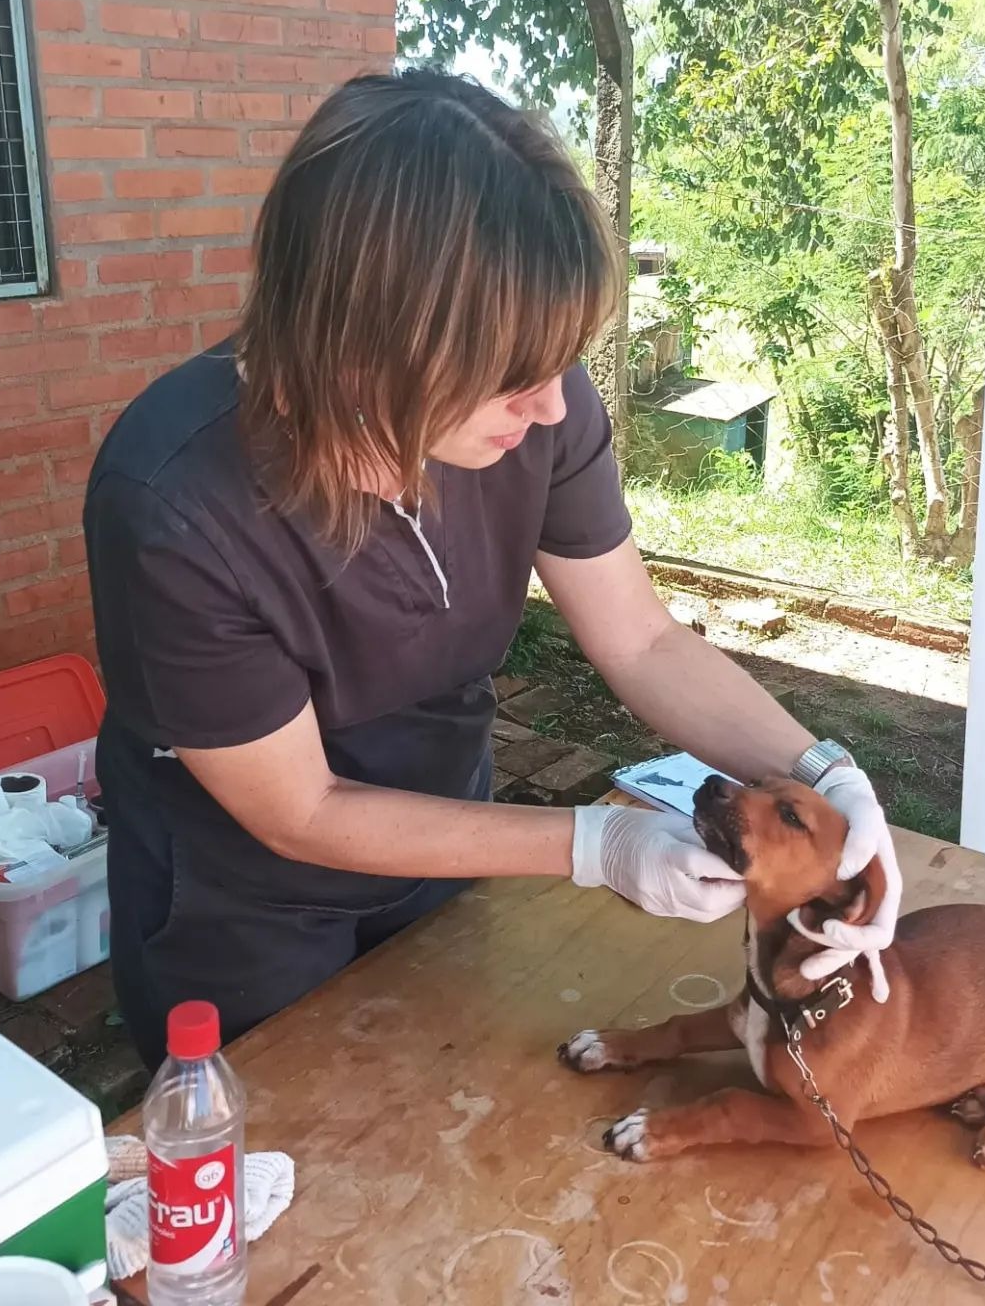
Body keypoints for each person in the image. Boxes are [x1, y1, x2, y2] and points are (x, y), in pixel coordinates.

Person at [84, 70, 901, 1072]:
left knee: (446, 1103)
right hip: (242, 904)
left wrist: (820, 771)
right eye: (513, 378)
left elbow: (638, 637)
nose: (553, 409)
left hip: (446, 835)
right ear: (362, 352)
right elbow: (301, 809)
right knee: (292, 1163)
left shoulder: (533, 420)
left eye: (556, 364)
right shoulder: (176, 503)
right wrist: (592, 846)